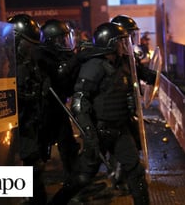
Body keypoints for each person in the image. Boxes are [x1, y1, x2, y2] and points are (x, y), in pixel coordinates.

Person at [48, 23, 150, 205]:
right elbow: (79, 101)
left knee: (135, 171)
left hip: (120, 129)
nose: (124, 45)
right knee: (83, 176)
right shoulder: (94, 66)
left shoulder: (120, 64)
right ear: (110, 43)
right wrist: (89, 132)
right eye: (120, 42)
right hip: (99, 131)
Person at [7, 14, 47, 205]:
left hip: (31, 125)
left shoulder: (29, 63)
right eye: (29, 44)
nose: (32, 49)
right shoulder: (5, 65)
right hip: (17, 130)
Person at [35, 18, 80, 177]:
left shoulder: (61, 55)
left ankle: (74, 181)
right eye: (61, 38)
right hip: (44, 112)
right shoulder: (41, 57)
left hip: (58, 108)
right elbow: (59, 76)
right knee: (39, 149)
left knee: (68, 145)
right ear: (51, 40)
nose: (65, 42)